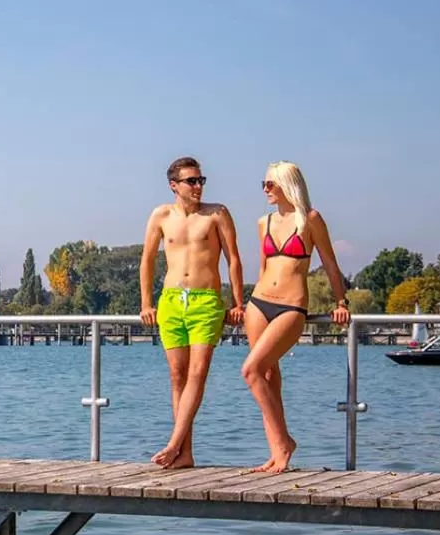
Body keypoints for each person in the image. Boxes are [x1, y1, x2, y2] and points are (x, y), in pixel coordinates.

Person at [242, 161, 350, 474]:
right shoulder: (263, 222)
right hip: (259, 304)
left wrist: (341, 301)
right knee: (266, 376)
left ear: (287, 185)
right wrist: (243, 304)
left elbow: (330, 263)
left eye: (270, 184)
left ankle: (285, 442)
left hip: (291, 306)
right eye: (262, 184)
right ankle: (277, 452)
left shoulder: (311, 219)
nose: (265, 190)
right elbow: (263, 268)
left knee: (250, 370)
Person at [139, 156, 245, 469]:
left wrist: (237, 302)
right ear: (174, 185)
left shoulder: (217, 213)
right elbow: (147, 260)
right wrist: (146, 303)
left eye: (201, 181)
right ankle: (185, 453)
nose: (198, 186)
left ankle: (173, 443)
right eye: (192, 181)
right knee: (177, 376)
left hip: (206, 301)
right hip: (171, 301)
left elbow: (234, 259)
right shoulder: (161, 215)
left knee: (198, 373)